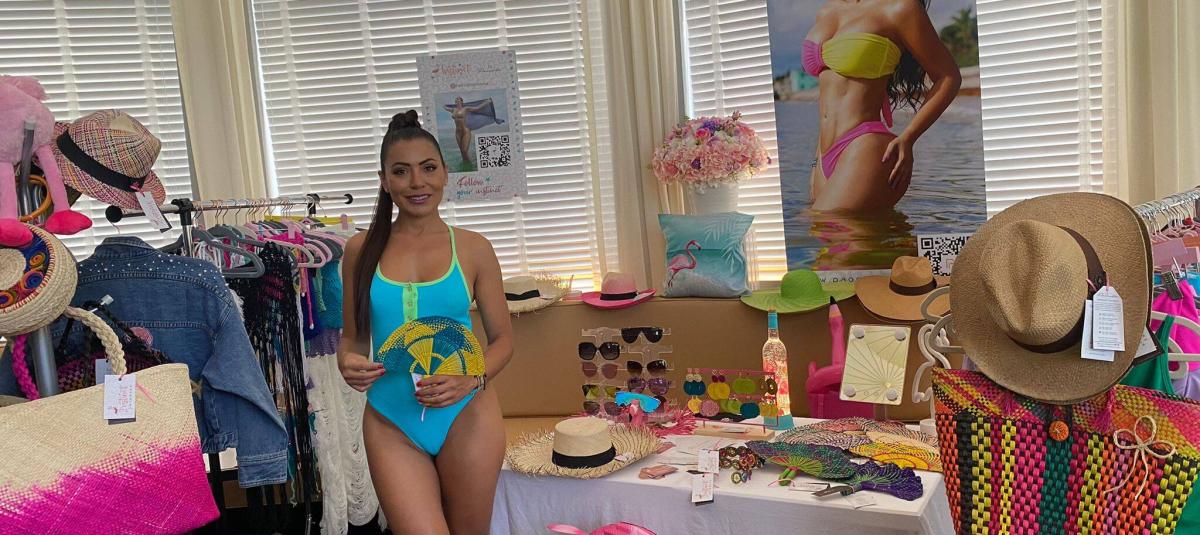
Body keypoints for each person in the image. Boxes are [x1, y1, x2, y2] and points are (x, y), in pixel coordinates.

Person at [338, 109, 514, 534]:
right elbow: (353, 339)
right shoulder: (360, 250)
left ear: (445, 173)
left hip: (467, 415)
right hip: (390, 420)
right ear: (384, 180)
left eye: (428, 168)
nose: (417, 182)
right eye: (401, 172)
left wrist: (471, 378)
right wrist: (348, 362)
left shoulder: (474, 249)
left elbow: (504, 340)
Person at [805, 0, 961, 212]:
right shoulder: (827, 10)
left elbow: (948, 77)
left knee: (824, 222)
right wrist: (817, 161)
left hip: (866, 146)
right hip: (824, 154)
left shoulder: (900, 7)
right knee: (822, 229)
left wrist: (909, 137)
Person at [447, 96, 491, 165]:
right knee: (462, 151)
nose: (457, 100)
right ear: (455, 102)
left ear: (462, 102)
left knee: (464, 150)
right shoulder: (453, 110)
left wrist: (486, 102)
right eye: (456, 100)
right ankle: (465, 163)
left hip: (465, 131)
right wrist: (443, 105)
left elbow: (477, 108)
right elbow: (445, 107)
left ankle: (470, 165)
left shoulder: (466, 109)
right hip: (457, 132)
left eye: (459, 99)